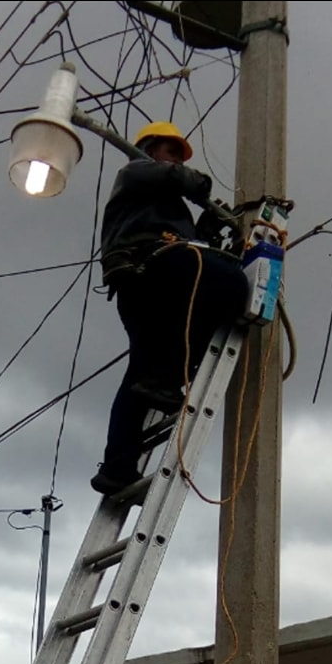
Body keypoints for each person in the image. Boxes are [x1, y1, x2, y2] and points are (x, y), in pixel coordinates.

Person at [91, 121, 249, 497]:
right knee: (230, 282)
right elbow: (179, 181)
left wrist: (208, 230)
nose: (176, 159)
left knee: (139, 374)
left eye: (179, 153)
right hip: (149, 271)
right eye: (171, 150)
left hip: (152, 283)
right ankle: (168, 375)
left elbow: (188, 239)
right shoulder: (135, 171)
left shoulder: (159, 202)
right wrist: (199, 187)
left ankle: (117, 468)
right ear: (149, 148)